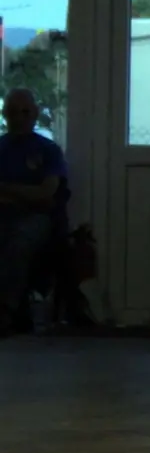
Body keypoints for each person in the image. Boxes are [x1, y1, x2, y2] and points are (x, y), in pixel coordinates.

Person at [0, 88, 68, 336]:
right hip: (6, 214)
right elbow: (35, 192)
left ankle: (6, 311)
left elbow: (47, 192)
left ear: (35, 114)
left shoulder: (48, 150)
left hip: (37, 217)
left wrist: (6, 188)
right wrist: (26, 192)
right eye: (13, 112)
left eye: (25, 112)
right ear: (5, 114)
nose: (19, 117)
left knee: (19, 242)